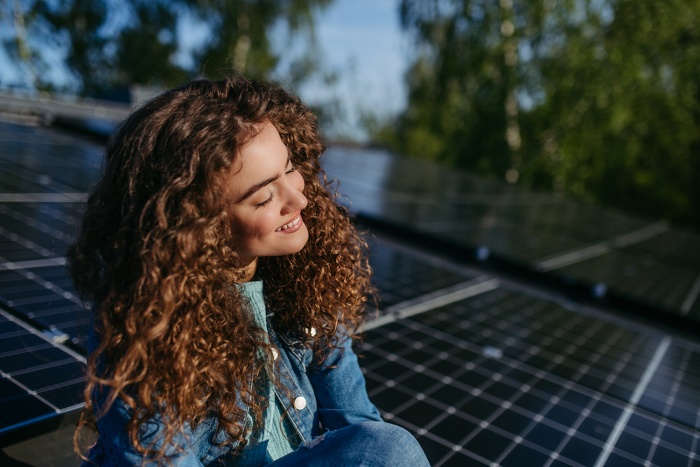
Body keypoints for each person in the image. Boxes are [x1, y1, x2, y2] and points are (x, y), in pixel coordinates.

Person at [67, 75, 430, 466]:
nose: (299, 197)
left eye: (290, 168)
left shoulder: (303, 284)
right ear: (198, 225)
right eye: (263, 197)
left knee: (388, 449)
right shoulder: (148, 328)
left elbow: (359, 427)